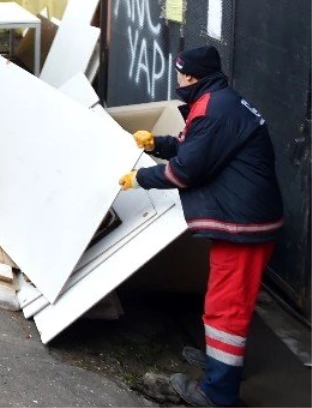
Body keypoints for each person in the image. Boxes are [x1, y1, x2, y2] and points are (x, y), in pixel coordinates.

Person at [121, 45, 284, 408]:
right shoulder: (217, 101)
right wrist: (158, 144)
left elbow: (187, 170)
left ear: (190, 77)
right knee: (223, 302)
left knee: (226, 309)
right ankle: (218, 363)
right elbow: (189, 147)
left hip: (245, 226)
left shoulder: (213, 110)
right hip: (244, 218)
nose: (177, 81)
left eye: (179, 75)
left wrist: (140, 178)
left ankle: (217, 392)